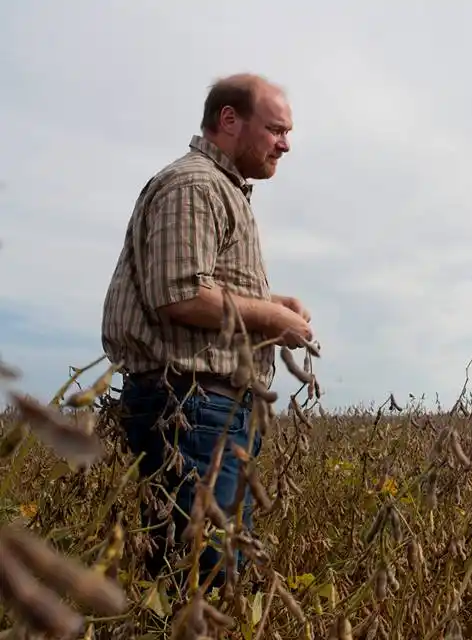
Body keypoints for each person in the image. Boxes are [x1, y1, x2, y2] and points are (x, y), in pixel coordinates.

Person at [100, 73, 313, 591]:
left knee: (213, 568)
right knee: (200, 577)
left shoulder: (222, 190)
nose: (285, 144)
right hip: (189, 407)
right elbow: (180, 296)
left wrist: (270, 305)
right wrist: (271, 318)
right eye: (276, 130)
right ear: (230, 120)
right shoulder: (196, 185)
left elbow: (204, 287)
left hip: (210, 408)